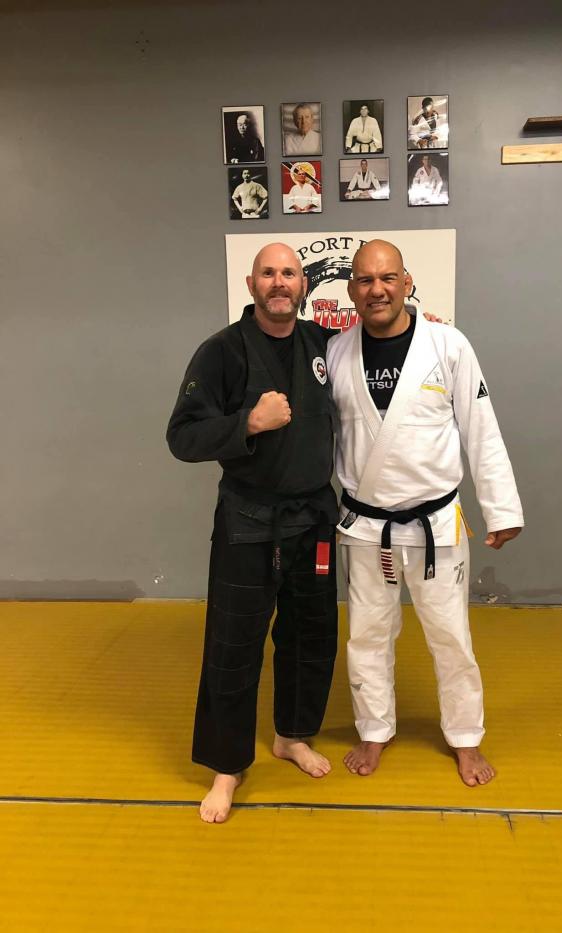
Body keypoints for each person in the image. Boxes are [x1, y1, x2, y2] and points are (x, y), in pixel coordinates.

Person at [326, 239, 523, 787]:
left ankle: (465, 736)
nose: (378, 290)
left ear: (407, 283)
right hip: (366, 526)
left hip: (436, 523)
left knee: (451, 637)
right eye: (366, 280)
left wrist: (501, 508)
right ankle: (374, 728)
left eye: (388, 278)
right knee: (367, 635)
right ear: (351, 291)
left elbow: (480, 427)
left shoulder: (447, 344)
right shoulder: (336, 352)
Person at [167, 243, 339, 823]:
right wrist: (248, 423)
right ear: (251, 284)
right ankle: (227, 766)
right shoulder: (220, 351)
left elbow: (380, 345)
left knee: (310, 636)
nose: (279, 282)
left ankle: (291, 736)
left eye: (289, 272)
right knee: (233, 645)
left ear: (303, 284)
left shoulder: (323, 344)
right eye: (268, 273)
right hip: (247, 521)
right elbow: (182, 437)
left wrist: (424, 324)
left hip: (313, 520)